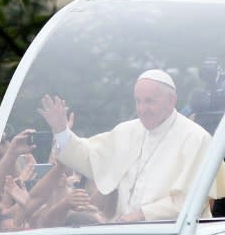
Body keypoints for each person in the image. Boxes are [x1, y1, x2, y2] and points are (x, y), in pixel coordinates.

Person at [38, 69, 223, 221]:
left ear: (171, 101)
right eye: (138, 101)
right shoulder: (126, 132)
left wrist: (140, 215)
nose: (142, 109)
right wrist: (61, 130)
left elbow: (192, 200)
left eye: (149, 101)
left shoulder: (195, 138)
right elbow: (90, 157)